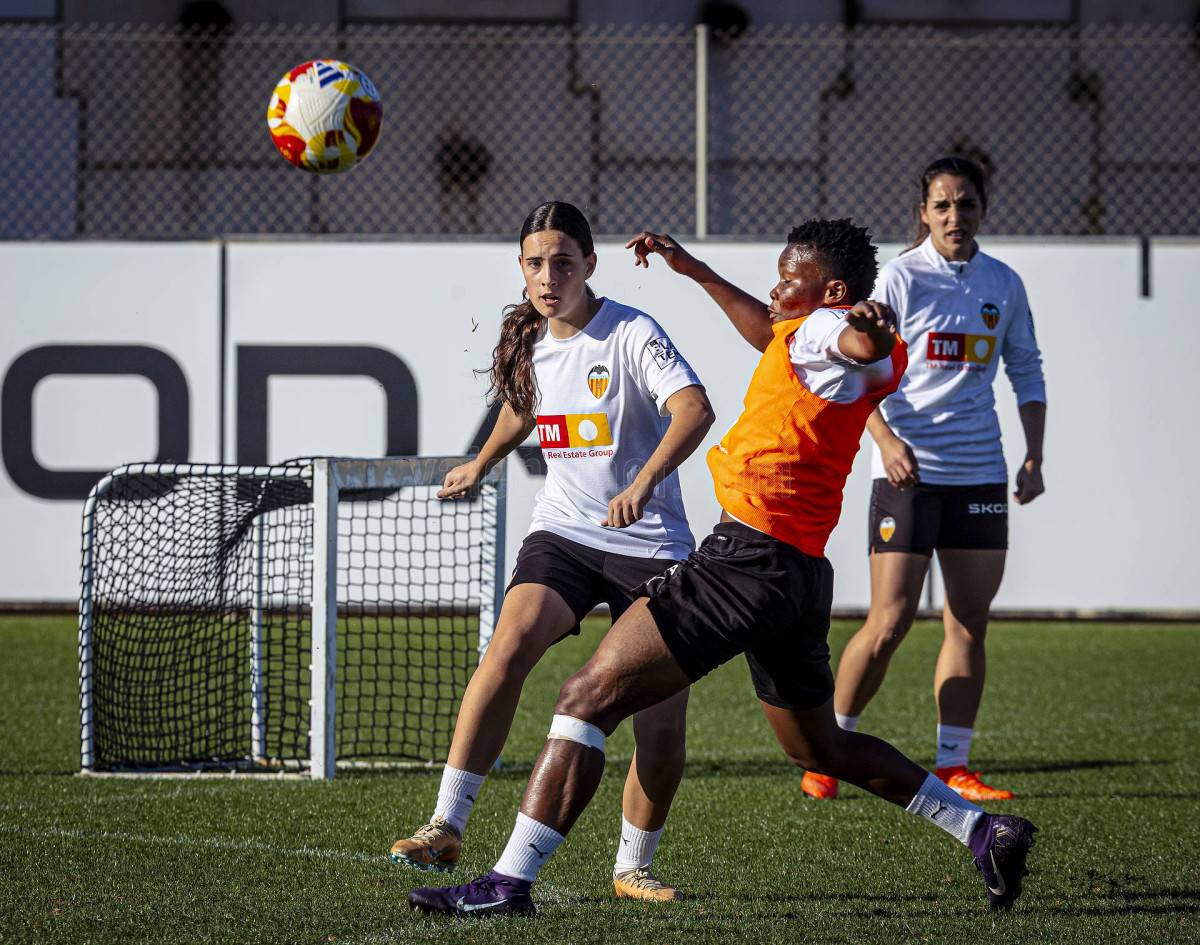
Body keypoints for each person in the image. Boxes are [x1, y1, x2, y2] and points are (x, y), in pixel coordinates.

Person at [407, 218, 1037, 918]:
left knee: (584, 698)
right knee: (819, 746)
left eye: (788, 279)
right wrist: (698, 271)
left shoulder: (829, 331)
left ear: (831, 292)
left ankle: (507, 882)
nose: (775, 288)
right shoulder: (808, 337)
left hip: (746, 561)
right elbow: (781, 333)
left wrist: (869, 330)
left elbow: (852, 341)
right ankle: (981, 828)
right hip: (798, 573)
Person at [390, 201, 715, 902]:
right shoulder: (530, 339)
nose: (548, 276)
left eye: (563, 263)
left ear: (589, 265)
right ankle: (445, 824)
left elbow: (695, 409)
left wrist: (644, 482)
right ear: (521, 267)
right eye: (535, 264)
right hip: (564, 533)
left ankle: (632, 867)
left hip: (651, 545)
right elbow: (523, 406)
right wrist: (481, 462)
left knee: (660, 727)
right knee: (506, 647)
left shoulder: (631, 332)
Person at [800, 157, 1047, 805]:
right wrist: (886, 442)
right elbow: (856, 370)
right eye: (942, 205)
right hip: (907, 473)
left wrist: (1034, 456)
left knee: (968, 621)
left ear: (982, 209)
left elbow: (1027, 369)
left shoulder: (1004, 283)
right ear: (923, 213)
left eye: (966, 204)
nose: (954, 216)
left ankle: (954, 764)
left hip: (980, 473)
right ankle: (828, 752)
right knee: (890, 620)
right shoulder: (899, 279)